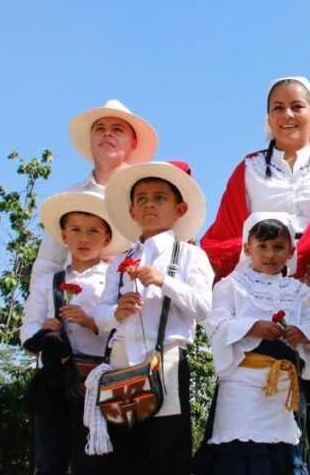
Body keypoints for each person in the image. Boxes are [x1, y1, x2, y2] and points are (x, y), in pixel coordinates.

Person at [201, 76, 310, 474]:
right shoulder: (249, 169)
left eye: (296, 106)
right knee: (258, 418)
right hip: (260, 300)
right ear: (267, 117)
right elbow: (225, 237)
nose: (287, 114)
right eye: (278, 107)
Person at [91, 161, 214, 474]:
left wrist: (164, 281)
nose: (149, 204)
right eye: (141, 199)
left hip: (168, 362)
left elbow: (203, 307)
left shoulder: (190, 255)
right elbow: (100, 316)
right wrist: (117, 311)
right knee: (121, 456)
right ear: (132, 211)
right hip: (121, 363)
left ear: (179, 209)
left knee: (167, 453)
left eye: (160, 197)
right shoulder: (120, 260)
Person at [195, 212, 310, 474]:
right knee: (239, 454)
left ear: (291, 252)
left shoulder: (300, 291)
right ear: (248, 249)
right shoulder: (230, 285)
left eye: (278, 247)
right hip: (240, 387)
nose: (270, 254)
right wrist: (253, 327)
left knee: (281, 455)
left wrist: (302, 334)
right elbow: (216, 324)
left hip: (281, 390)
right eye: (262, 246)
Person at [20, 192, 131, 475]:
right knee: (49, 459)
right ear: (64, 236)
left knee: (93, 460)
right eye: (76, 230)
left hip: (95, 380)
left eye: (93, 231)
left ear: (107, 239)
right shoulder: (49, 282)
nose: (84, 238)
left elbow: (123, 328)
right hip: (55, 378)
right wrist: (43, 331)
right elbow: (28, 327)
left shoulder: (113, 280)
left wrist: (91, 322)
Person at [30, 99, 158, 285]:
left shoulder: (148, 201)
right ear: (91, 139)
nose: (107, 134)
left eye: (117, 129)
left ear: (134, 142)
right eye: (99, 129)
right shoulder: (68, 197)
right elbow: (47, 264)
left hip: (129, 308)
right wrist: (37, 313)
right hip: (71, 307)